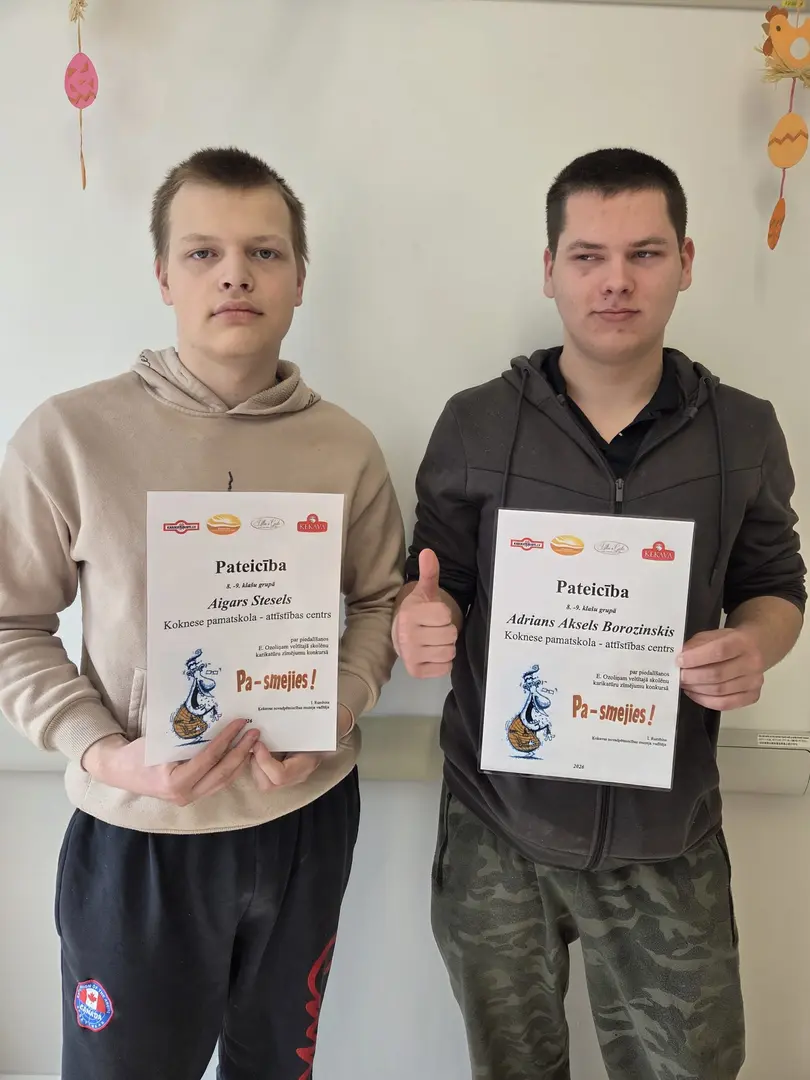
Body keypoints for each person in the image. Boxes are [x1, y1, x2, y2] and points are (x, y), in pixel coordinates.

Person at [394, 148, 805, 1080]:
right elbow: (436, 577)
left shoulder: (744, 430)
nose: (616, 280)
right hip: (499, 825)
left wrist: (755, 644)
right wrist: (422, 617)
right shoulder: (474, 423)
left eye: (645, 253)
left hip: (669, 832)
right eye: (587, 256)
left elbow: (776, 584)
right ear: (550, 269)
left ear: (685, 262)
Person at [0, 147, 404, 1080]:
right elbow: (11, 624)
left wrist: (337, 709)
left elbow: (380, 601)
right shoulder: (70, 436)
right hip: (140, 839)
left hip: (303, 821)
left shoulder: (344, 447)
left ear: (299, 278)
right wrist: (105, 753)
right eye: (202, 253)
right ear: (162, 276)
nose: (234, 274)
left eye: (264, 252)